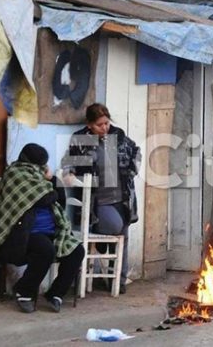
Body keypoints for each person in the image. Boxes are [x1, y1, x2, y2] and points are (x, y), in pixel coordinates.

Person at [62, 103, 141, 294]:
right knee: (117, 227)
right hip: (98, 201)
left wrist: (131, 171)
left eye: (106, 123)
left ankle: (118, 281)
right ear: (89, 125)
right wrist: (70, 174)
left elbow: (135, 152)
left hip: (122, 195)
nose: (104, 128)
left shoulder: (119, 136)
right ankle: (112, 277)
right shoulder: (81, 139)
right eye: (99, 125)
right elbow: (71, 164)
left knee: (124, 231)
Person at [0, 143, 84, 313]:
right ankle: (24, 291)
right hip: (23, 234)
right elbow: (44, 198)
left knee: (77, 251)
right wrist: (51, 186)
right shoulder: (16, 173)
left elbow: (60, 201)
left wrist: (52, 179)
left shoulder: (39, 176)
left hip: (51, 231)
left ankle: (55, 294)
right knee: (45, 249)